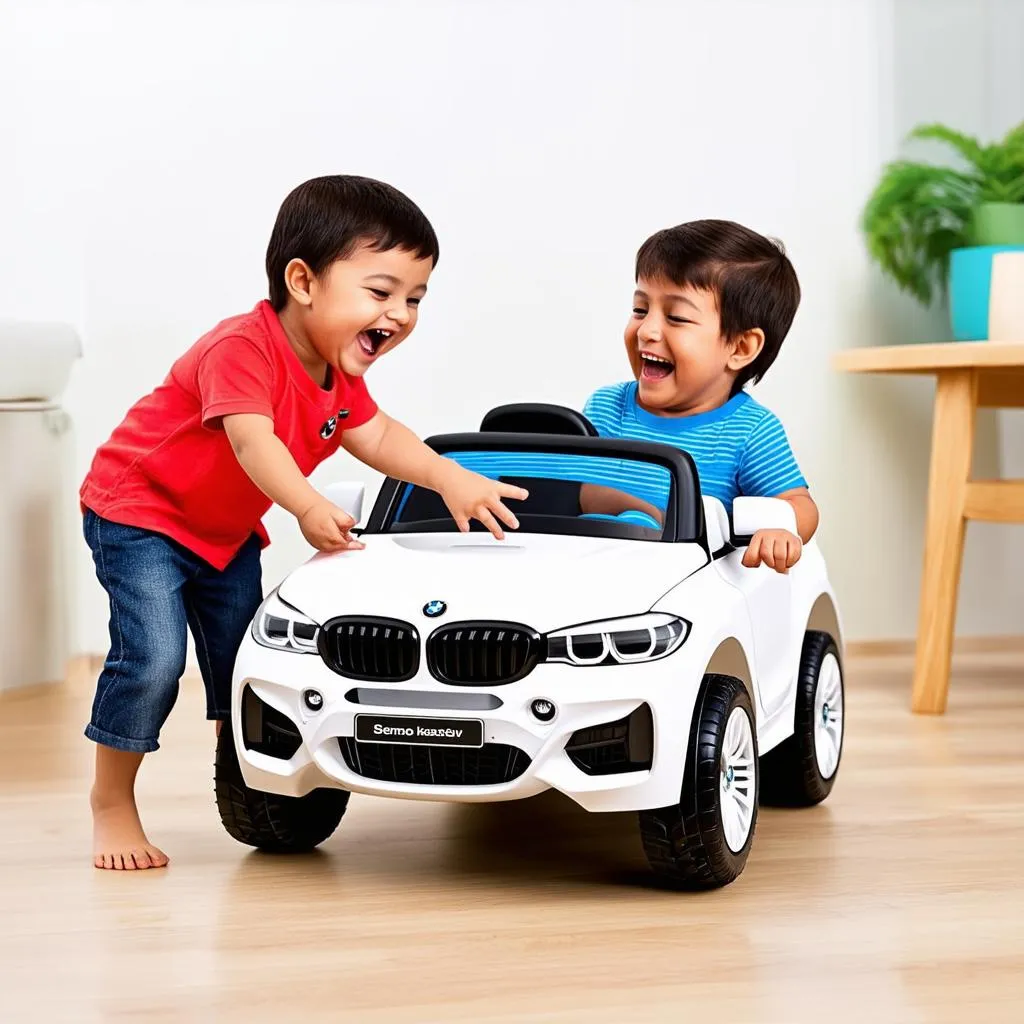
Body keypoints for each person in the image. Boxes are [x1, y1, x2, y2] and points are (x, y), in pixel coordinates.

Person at [79, 175, 527, 870]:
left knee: (245, 669)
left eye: (415, 298)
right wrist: (308, 507)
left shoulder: (339, 374)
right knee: (155, 660)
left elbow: (379, 437)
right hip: (141, 513)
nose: (401, 315)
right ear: (303, 281)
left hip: (221, 535)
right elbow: (253, 441)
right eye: (381, 293)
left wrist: (451, 478)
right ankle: (111, 802)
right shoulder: (242, 348)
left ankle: (253, 794)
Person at [580, 218, 818, 569]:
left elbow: (798, 501)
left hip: (686, 585)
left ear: (740, 347)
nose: (647, 330)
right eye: (640, 309)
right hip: (588, 566)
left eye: (676, 317)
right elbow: (563, 487)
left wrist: (781, 529)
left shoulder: (749, 430)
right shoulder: (606, 407)